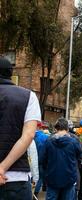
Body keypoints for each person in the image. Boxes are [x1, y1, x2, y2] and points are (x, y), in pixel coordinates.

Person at [0, 57, 41, 199]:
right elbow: (28, 136)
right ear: (10, 73)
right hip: (16, 177)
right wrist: (2, 167)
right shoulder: (29, 96)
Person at [40, 118, 82, 199]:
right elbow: (79, 157)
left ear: (56, 128)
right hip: (69, 177)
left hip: (52, 177)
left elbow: (42, 159)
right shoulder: (74, 142)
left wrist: (47, 171)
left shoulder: (48, 141)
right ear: (67, 128)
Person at [34, 122, 49, 197]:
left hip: (29, 160)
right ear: (41, 128)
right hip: (41, 161)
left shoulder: (28, 135)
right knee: (39, 177)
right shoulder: (45, 137)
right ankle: (35, 193)